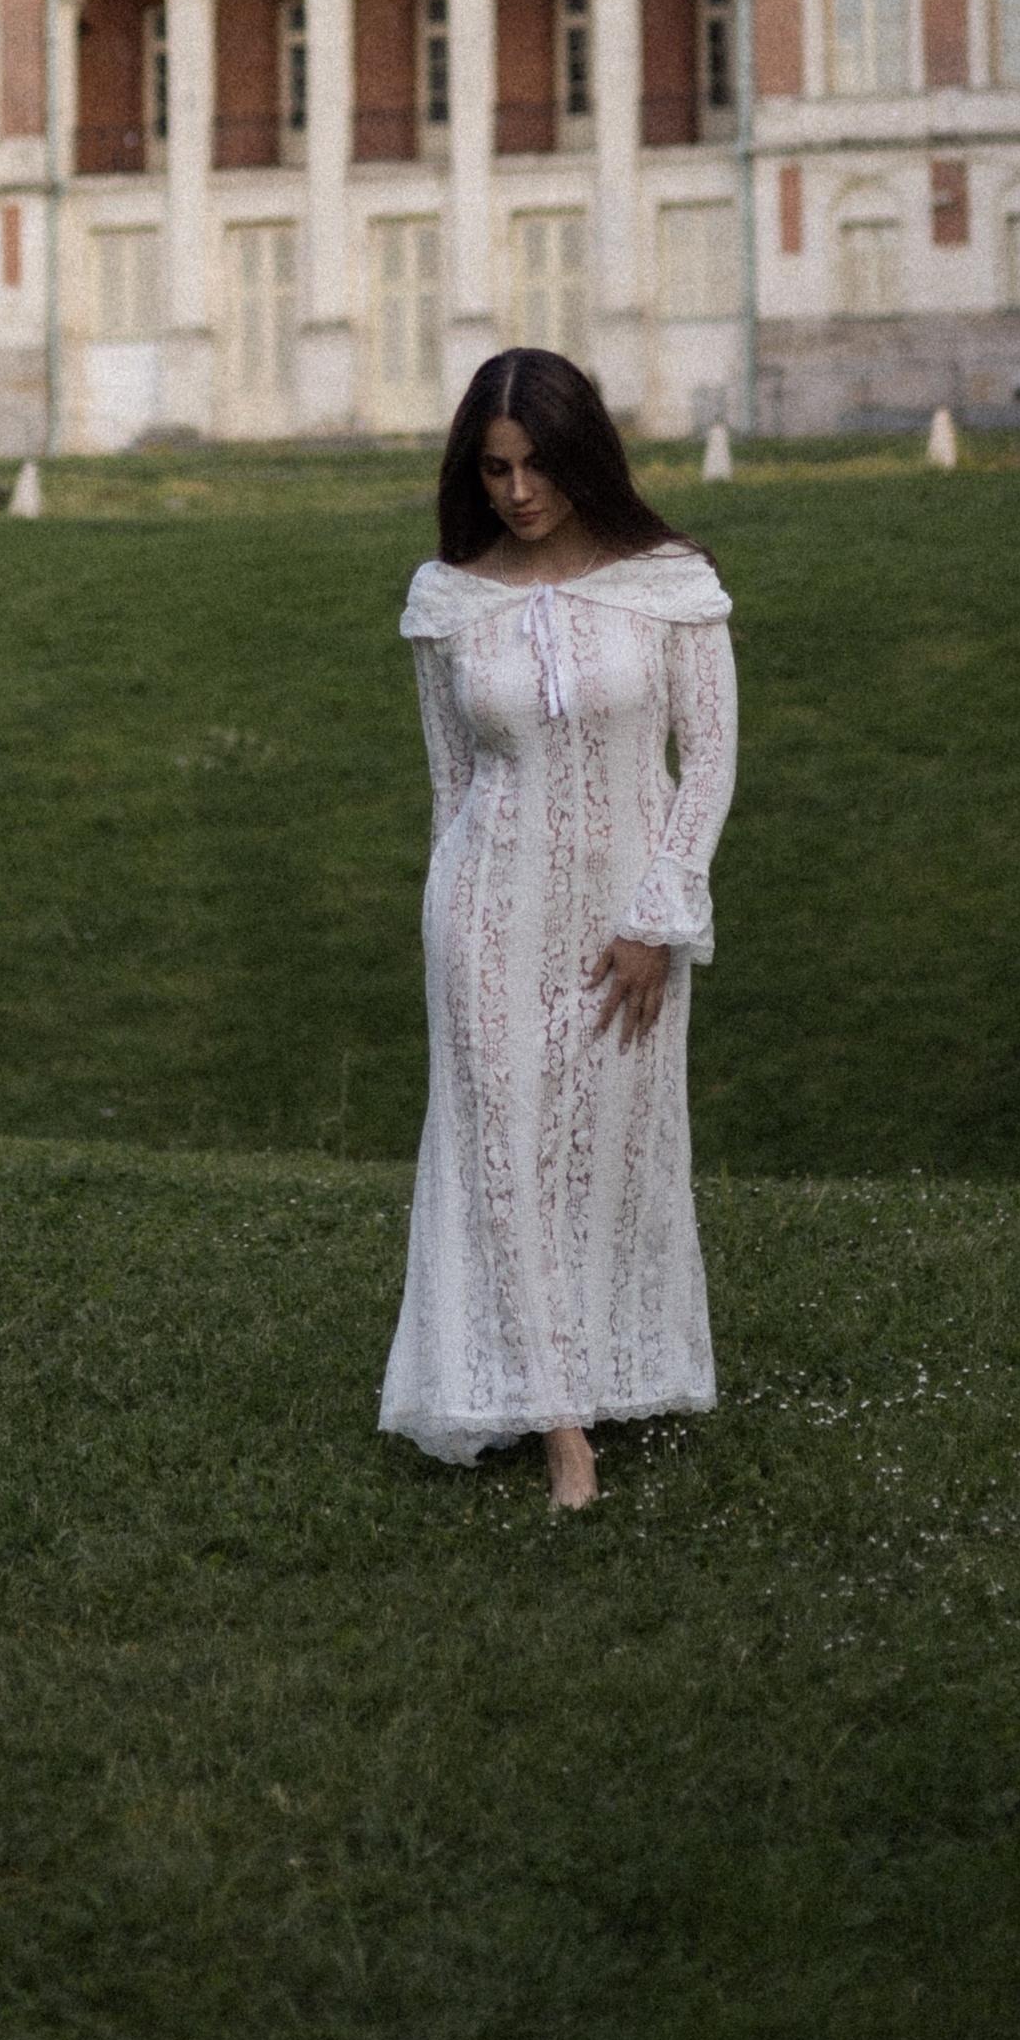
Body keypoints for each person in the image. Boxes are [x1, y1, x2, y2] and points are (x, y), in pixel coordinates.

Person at [380, 347, 738, 1509]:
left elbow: (709, 762)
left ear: (584, 456)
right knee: (505, 1154)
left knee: (611, 1153)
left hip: (627, 925)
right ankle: (559, 1430)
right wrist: (449, 931)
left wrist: (659, 916)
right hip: (486, 911)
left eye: (536, 465)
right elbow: (448, 786)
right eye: (492, 470)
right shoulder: (451, 598)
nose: (516, 493)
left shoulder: (669, 583)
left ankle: (602, 1372)